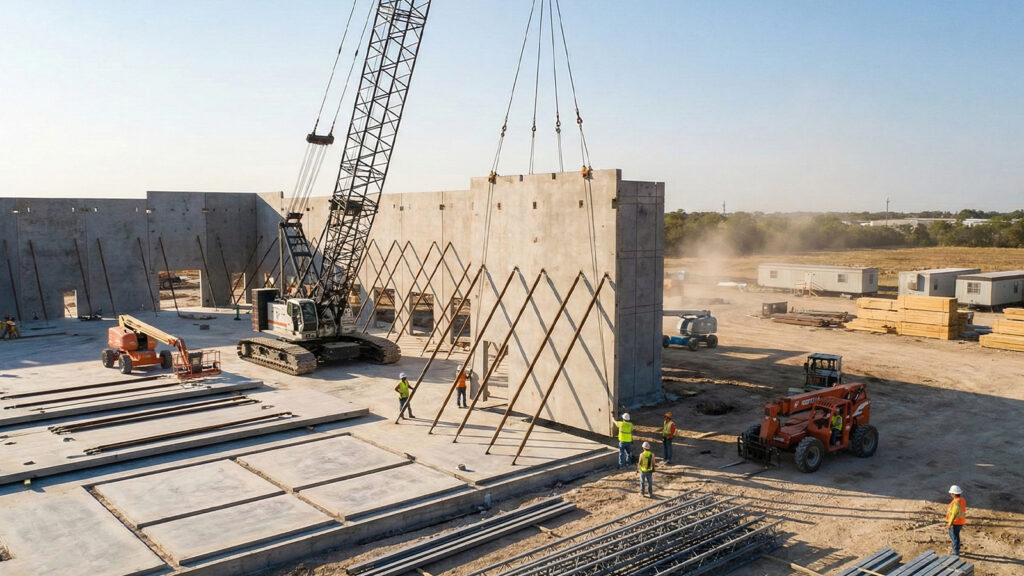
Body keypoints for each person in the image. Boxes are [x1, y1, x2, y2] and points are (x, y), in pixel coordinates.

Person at [946, 484, 967, 556]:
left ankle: (955, 551)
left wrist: (949, 524)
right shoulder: (962, 500)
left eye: (951, 493)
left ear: (954, 494)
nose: (950, 495)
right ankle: (957, 545)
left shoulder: (956, 503)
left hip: (955, 522)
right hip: (961, 521)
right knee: (955, 535)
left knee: (954, 536)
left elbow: (954, 514)